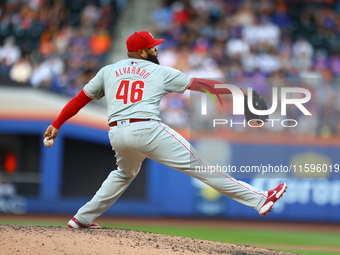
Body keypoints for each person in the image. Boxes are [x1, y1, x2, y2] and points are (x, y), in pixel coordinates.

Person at [43, 31, 287, 229]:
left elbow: (80, 98)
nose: (156, 50)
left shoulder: (108, 71)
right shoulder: (159, 71)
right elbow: (202, 85)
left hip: (117, 134)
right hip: (147, 129)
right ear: (141, 52)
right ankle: (260, 199)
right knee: (200, 167)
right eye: (152, 47)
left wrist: (56, 124)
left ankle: (82, 218)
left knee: (123, 174)